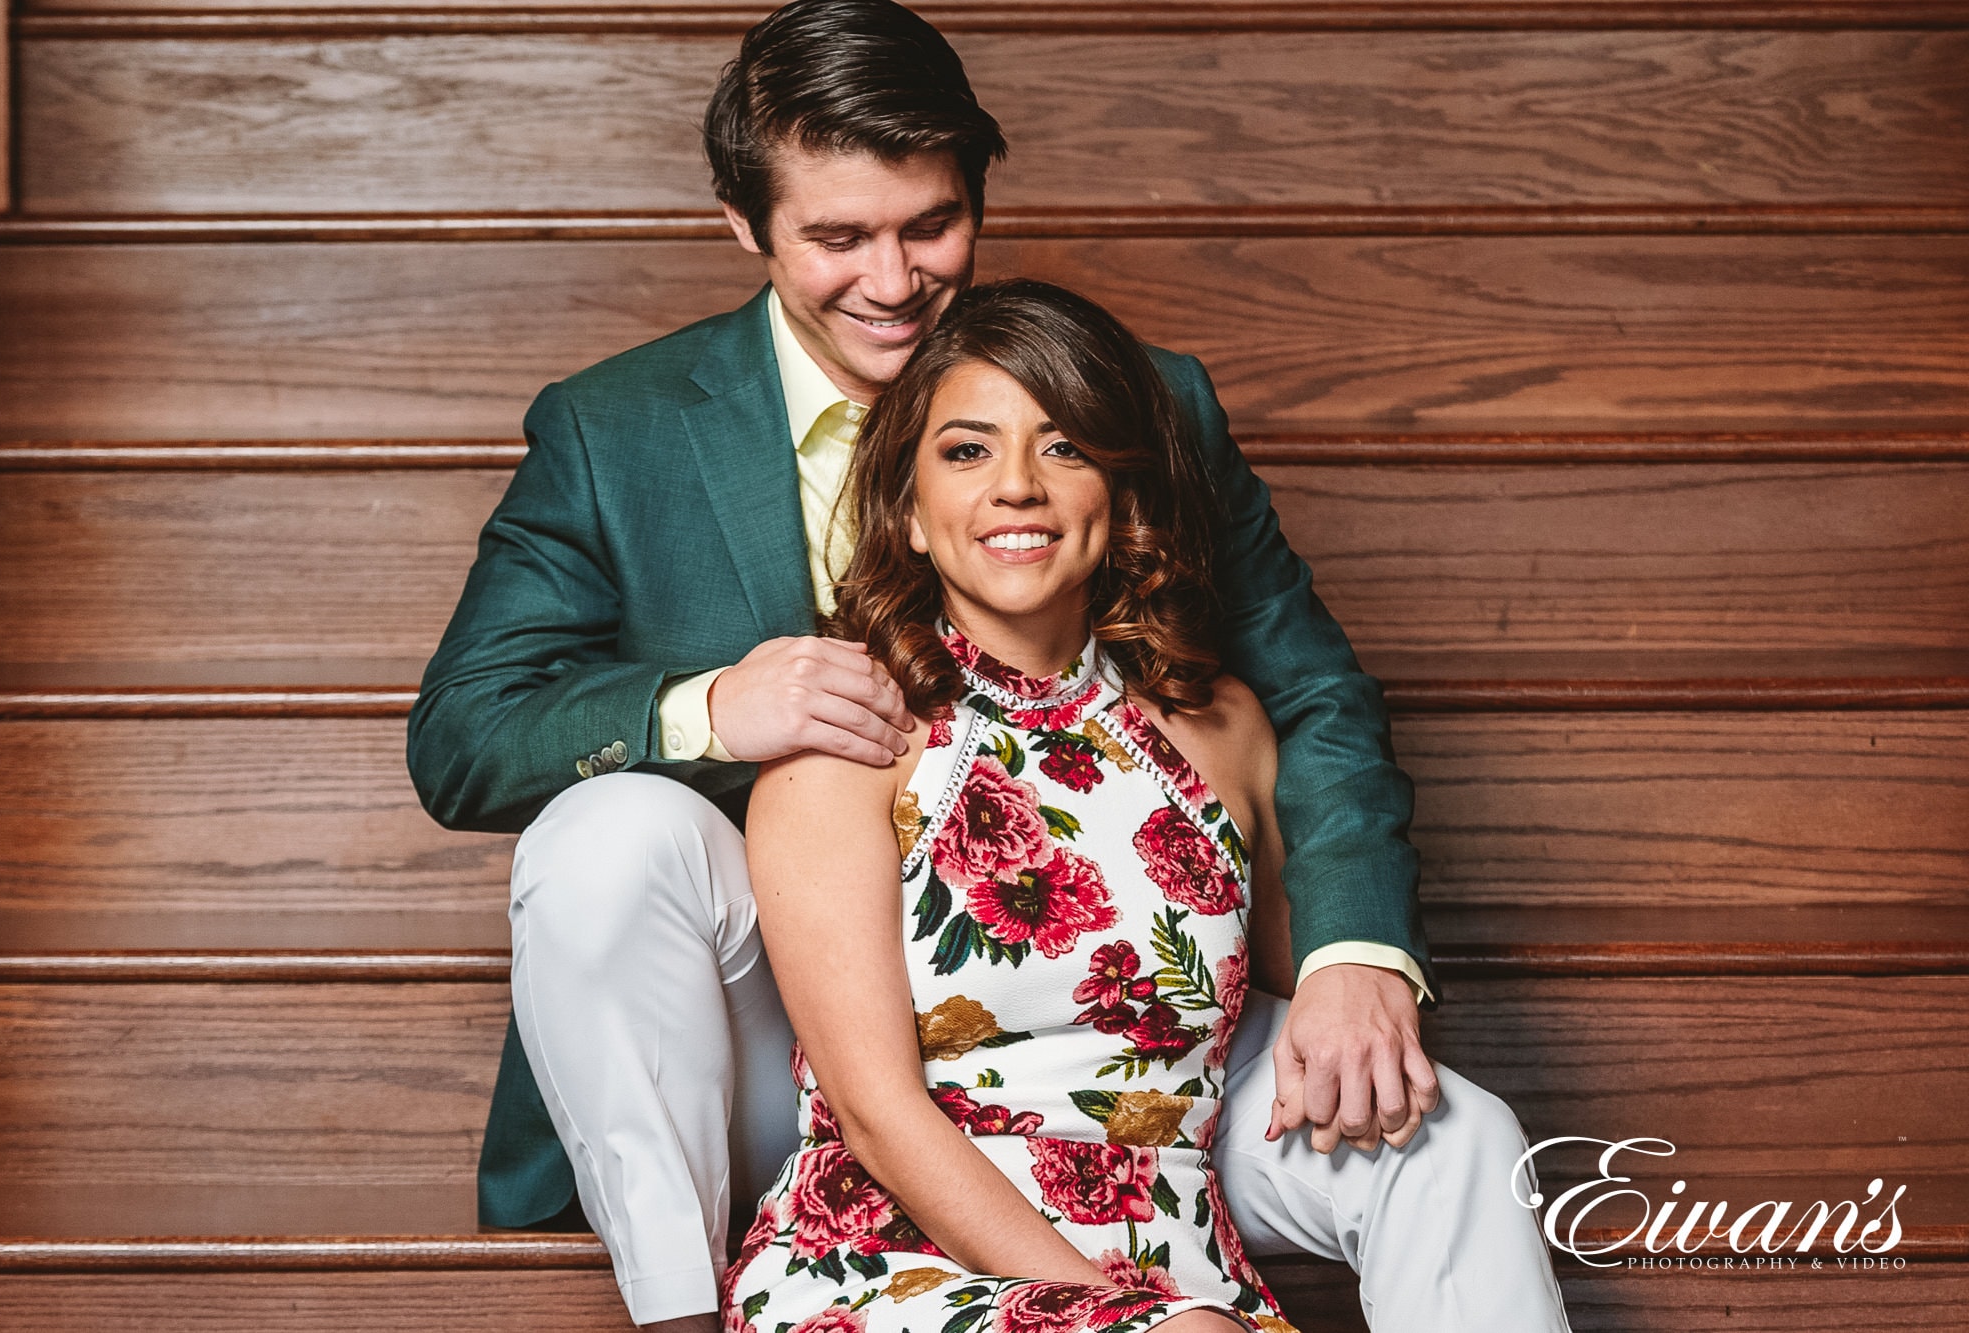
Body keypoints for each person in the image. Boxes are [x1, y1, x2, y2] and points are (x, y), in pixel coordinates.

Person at [406, 2, 1571, 1330]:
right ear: (745, 224)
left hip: (1121, 1030)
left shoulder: (1141, 401)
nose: (894, 280)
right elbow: (462, 735)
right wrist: (717, 706)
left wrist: (1353, 952)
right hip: (779, 1023)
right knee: (607, 832)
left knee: (1455, 1130)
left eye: (930, 224)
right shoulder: (613, 430)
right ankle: (685, 1306)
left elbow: (1308, 697)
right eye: (839, 237)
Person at [730, 278, 1310, 1333]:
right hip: (887, 1262)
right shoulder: (848, 748)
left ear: (1122, 497)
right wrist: (1134, 1317)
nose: (1015, 488)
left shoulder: (1224, 732)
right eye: (965, 450)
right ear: (906, 509)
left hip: (1183, 1262)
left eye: (1064, 447)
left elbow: (1305, 1000)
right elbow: (874, 1112)